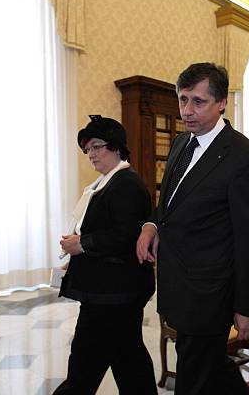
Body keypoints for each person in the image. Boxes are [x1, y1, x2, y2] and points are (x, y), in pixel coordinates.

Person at [136, 63, 249, 395]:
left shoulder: (244, 156)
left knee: (193, 378)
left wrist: (247, 306)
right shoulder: (182, 143)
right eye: (182, 100)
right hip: (177, 285)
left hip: (210, 294)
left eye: (198, 101)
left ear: (221, 102)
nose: (186, 111)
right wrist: (152, 225)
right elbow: (169, 204)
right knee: (211, 367)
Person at [54, 115, 157, 395]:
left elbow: (124, 236)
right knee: (128, 359)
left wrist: (82, 245)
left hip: (113, 293)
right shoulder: (106, 184)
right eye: (88, 149)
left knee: (85, 365)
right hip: (111, 290)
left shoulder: (125, 183)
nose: (91, 154)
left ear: (117, 148)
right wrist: (78, 257)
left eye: (97, 146)